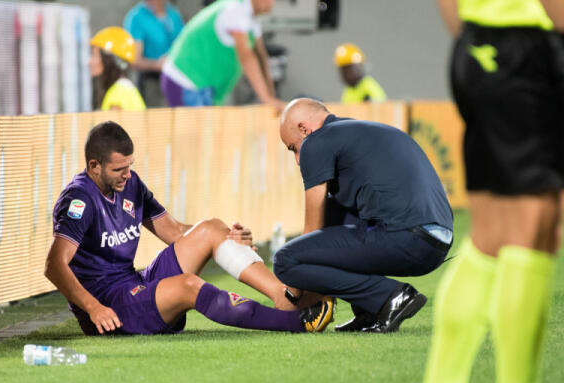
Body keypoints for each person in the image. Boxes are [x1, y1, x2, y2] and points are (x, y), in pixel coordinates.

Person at [45, 121, 334, 336]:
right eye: (119, 169)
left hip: (134, 282)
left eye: (129, 166)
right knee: (189, 286)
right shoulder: (79, 200)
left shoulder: (130, 184)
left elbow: (174, 231)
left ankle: (286, 298)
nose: (127, 175)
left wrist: (228, 238)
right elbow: (55, 266)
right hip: (109, 306)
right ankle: (296, 322)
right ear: (94, 165)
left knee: (212, 228)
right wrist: (93, 308)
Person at [419, 1, 564, 383]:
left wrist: (473, 41)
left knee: (493, 239)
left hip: (483, 48)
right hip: (525, 52)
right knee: (531, 233)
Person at [274, 98, 453, 333]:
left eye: (293, 148)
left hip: (405, 237)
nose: (298, 159)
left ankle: (391, 296)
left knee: (286, 260)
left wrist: (293, 292)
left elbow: (312, 230)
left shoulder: (316, 142)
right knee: (335, 212)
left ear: (304, 129)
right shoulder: (364, 132)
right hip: (438, 242)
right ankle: (369, 312)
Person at [161, 0, 284, 112]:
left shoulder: (252, 18)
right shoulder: (235, 9)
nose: (273, 2)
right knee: (195, 129)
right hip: (186, 80)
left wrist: (272, 98)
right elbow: (246, 57)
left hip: (204, 87)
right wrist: (266, 99)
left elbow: (261, 57)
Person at [123, 0, 184, 107]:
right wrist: (158, 64)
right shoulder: (137, 17)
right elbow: (134, 60)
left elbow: (182, 44)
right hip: (151, 81)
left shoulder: (174, 14)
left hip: (176, 77)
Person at [89, 27, 146, 111]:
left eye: (95, 55)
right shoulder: (122, 88)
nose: (90, 62)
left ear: (109, 60)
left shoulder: (119, 93)